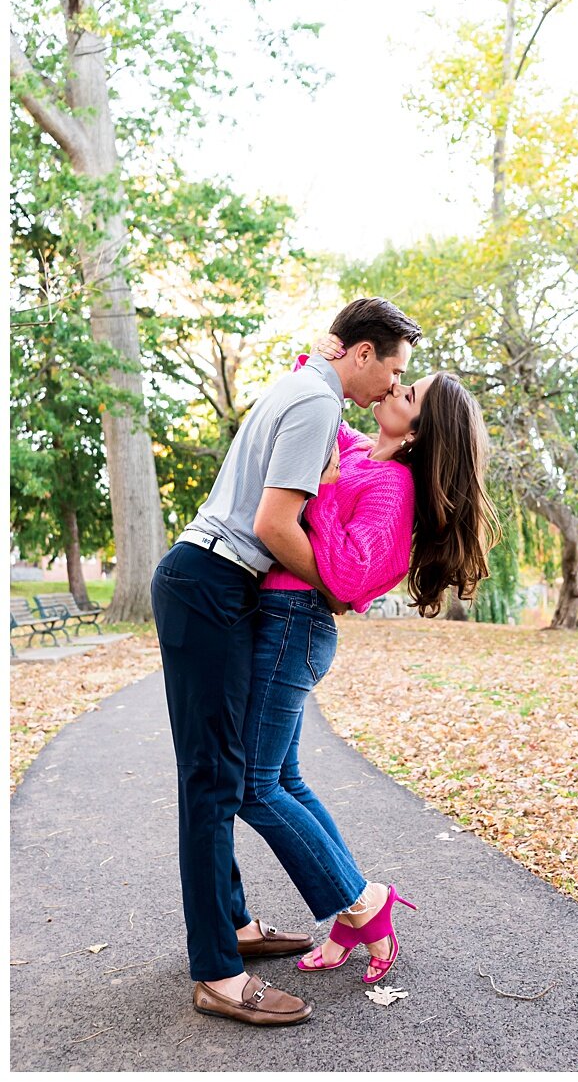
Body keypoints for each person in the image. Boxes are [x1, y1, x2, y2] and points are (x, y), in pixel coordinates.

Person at [151, 297, 420, 1026]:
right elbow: (273, 523)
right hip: (209, 579)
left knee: (228, 771)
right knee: (215, 780)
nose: (390, 386)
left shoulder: (310, 396)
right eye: (392, 369)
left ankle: (233, 923)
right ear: (359, 353)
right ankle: (217, 972)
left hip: (223, 586)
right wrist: (337, 587)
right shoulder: (314, 402)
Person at [236, 339, 499, 985]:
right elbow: (323, 426)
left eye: (407, 395)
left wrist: (319, 493)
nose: (391, 390)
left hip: (295, 625)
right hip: (280, 620)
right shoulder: (363, 452)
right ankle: (352, 919)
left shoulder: (394, 485)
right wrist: (315, 364)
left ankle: (362, 899)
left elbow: (351, 573)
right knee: (284, 779)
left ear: (420, 432)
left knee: (252, 782)